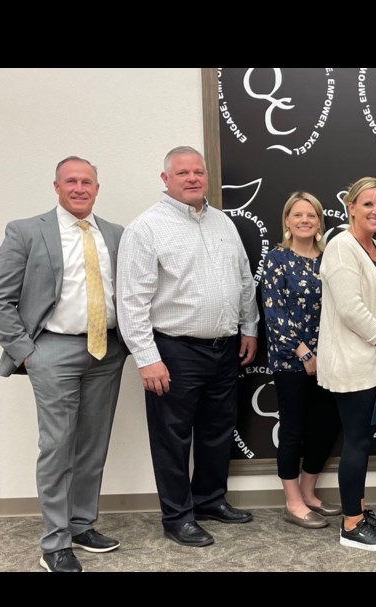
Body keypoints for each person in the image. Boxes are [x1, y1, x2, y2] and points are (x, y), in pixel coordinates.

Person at [0, 156, 127, 572]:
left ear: (97, 188)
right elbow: (0, 299)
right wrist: (25, 351)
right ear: (56, 186)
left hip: (107, 351)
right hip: (52, 350)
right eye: (71, 181)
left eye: (87, 182)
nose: (80, 188)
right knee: (57, 446)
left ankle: (82, 525)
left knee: (92, 445)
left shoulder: (116, 234)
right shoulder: (27, 231)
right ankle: (55, 542)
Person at [117, 146, 259, 547]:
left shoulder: (223, 223)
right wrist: (148, 359)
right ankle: (177, 516)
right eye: (183, 173)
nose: (193, 178)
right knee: (172, 437)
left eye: (198, 171)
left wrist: (248, 327)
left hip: (225, 346)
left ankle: (210, 500)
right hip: (174, 351)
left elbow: (244, 280)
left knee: (217, 431)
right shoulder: (145, 228)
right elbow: (131, 301)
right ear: (166, 179)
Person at [317, 177, 376, 552]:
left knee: (363, 440)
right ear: (350, 207)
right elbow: (352, 308)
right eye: (367, 204)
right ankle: (350, 524)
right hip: (353, 363)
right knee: (356, 441)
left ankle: (359, 508)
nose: (375, 211)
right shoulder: (341, 248)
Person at [262, 192, 342, 531]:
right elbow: (274, 313)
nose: (305, 220)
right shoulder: (277, 258)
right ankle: (292, 502)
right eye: (298, 215)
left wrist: (324, 355)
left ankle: (309, 494)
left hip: (330, 359)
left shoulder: (328, 259)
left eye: (311, 215)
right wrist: (305, 354)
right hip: (290, 361)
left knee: (325, 428)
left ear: (319, 221)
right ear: (287, 221)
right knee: (293, 431)